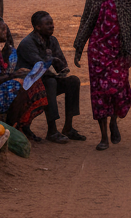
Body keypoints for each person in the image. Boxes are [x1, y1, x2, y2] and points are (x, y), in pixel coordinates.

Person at [73, 0, 131, 151]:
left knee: (116, 89)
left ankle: (114, 121)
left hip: (118, 49)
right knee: (99, 93)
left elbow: (130, 23)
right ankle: (103, 137)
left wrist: (130, 51)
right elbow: (86, 19)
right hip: (97, 50)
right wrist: (79, 47)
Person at [17, 10, 84, 143]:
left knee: (73, 81)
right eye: (47, 24)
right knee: (50, 82)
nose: (52, 26)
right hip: (27, 86)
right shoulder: (28, 43)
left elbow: (62, 67)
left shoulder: (52, 40)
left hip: (44, 81)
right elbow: (40, 68)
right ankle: (52, 130)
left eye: (51, 23)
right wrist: (52, 60)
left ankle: (68, 127)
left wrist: (58, 66)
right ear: (37, 27)